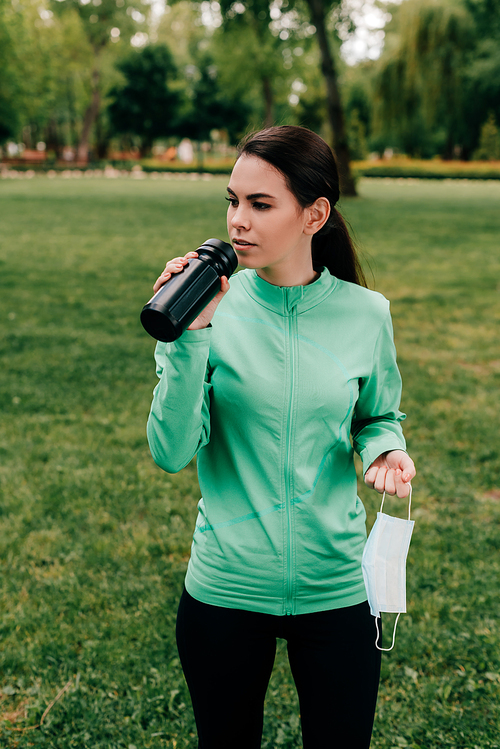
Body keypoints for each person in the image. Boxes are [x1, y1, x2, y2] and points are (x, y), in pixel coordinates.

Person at [146, 125, 416, 749]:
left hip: (338, 586)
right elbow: (171, 451)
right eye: (232, 201)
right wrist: (191, 335)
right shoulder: (205, 306)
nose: (238, 221)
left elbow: (378, 416)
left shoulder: (366, 314)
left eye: (261, 204)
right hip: (225, 586)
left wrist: (385, 451)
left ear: (314, 214)